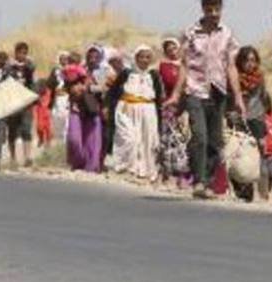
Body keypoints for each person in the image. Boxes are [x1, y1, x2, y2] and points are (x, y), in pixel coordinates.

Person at [166, 0, 246, 199]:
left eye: (217, 9)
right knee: (199, 136)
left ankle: (209, 182)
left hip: (218, 92)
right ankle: (199, 181)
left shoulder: (226, 33)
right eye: (209, 9)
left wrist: (237, 97)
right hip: (195, 90)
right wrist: (176, 94)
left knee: (215, 140)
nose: (213, 13)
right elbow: (184, 65)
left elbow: (231, 67)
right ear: (203, 9)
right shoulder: (191, 33)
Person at [110, 45, 163, 181]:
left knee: (147, 140)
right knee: (130, 138)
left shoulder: (153, 75)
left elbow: (158, 96)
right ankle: (127, 166)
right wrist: (108, 108)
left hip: (148, 110)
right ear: (136, 58)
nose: (144, 60)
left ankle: (145, 169)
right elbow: (114, 92)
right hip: (127, 109)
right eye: (141, 57)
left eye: (147, 57)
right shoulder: (127, 73)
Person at [232, 45, 270, 202]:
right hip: (239, 119)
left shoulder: (259, 78)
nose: (250, 64)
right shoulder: (234, 77)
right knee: (239, 154)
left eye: (253, 60)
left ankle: (264, 191)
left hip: (257, 119)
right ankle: (243, 191)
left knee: (260, 153)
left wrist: (266, 120)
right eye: (246, 60)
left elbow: (264, 99)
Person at [158, 38, 191, 187]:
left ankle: (185, 176)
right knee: (169, 141)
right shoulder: (164, 66)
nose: (172, 51)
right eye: (168, 49)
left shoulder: (189, 65)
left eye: (174, 48)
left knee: (186, 141)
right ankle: (168, 174)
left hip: (188, 106)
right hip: (171, 107)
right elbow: (169, 83)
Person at [64, 64, 104, 173]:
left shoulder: (103, 71)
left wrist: (88, 88)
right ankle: (78, 162)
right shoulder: (75, 71)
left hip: (92, 110)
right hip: (76, 110)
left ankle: (91, 165)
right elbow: (68, 88)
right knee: (74, 138)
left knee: (92, 140)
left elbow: (104, 88)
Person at [5, 42, 36, 167]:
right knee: (12, 131)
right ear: (16, 52)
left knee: (26, 129)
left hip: (26, 102)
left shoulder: (29, 66)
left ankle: (27, 157)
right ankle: (13, 157)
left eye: (25, 53)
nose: (22, 55)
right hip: (12, 102)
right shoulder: (9, 66)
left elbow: (33, 75)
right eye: (20, 52)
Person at [48, 51, 71, 140]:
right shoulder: (55, 70)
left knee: (67, 122)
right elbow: (49, 84)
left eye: (66, 59)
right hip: (57, 99)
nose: (64, 61)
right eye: (62, 59)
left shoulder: (72, 70)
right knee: (57, 120)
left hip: (67, 99)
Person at [34, 79, 53, 148]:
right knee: (39, 127)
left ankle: (48, 142)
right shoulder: (38, 93)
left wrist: (39, 99)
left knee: (48, 128)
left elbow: (45, 103)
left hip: (46, 112)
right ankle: (41, 139)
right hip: (39, 111)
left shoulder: (48, 91)